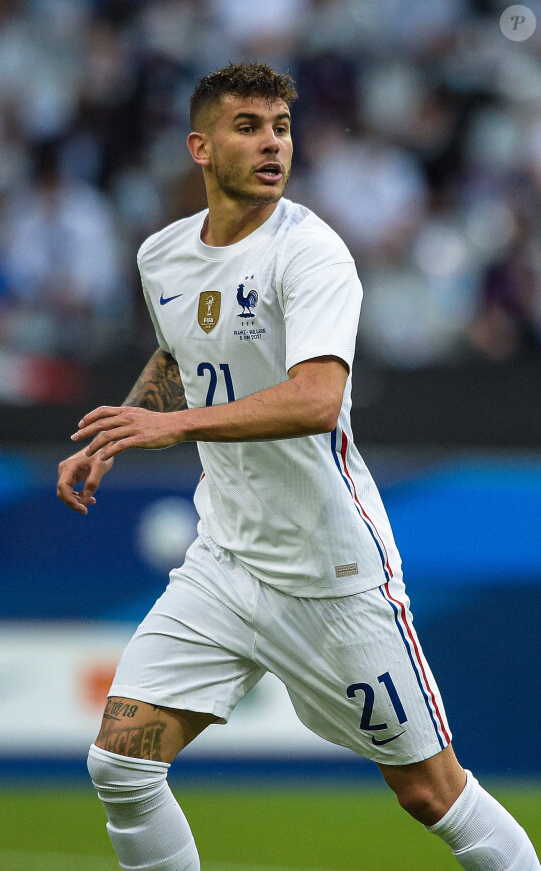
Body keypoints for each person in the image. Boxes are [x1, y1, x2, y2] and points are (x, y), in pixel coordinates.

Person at [57, 62, 539, 871]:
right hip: (225, 560)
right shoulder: (162, 256)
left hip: (331, 572)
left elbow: (316, 399)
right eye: (249, 126)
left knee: (433, 793)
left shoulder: (312, 254)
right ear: (200, 146)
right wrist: (120, 427)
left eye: (281, 126)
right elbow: (181, 349)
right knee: (121, 761)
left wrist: (169, 426)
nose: (272, 142)